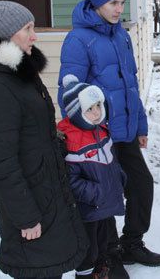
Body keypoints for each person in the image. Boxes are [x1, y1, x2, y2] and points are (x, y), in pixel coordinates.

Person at [0, 0, 89, 279]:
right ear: (6, 35)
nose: (35, 36)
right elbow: (2, 161)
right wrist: (25, 216)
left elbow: (37, 133)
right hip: (30, 202)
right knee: (36, 268)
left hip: (45, 190)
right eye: (27, 28)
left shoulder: (20, 73)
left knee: (49, 266)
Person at [58, 0, 160, 278]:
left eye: (121, 3)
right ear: (96, 3)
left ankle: (132, 242)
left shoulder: (121, 36)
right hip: (97, 136)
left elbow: (131, 85)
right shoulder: (78, 40)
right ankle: (107, 254)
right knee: (104, 195)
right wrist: (89, 128)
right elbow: (68, 92)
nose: (119, 9)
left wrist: (140, 125)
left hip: (125, 131)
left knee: (141, 185)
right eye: (113, 3)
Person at [57, 74, 126, 279]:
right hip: (87, 208)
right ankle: (86, 274)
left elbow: (110, 161)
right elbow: (70, 179)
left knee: (103, 243)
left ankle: (101, 271)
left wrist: (119, 178)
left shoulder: (101, 130)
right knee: (88, 249)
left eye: (98, 106)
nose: (96, 113)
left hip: (103, 205)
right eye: (89, 109)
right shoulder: (70, 139)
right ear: (76, 112)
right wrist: (95, 192)